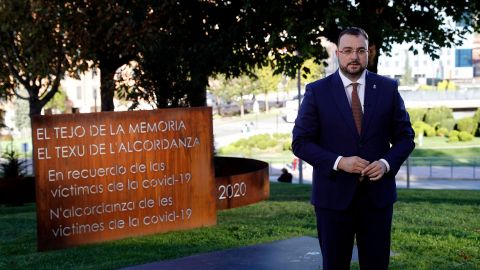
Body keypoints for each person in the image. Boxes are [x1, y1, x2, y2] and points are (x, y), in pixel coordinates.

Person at [292, 27, 415, 270]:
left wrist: (385, 163)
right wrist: (339, 162)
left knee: (377, 265)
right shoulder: (317, 91)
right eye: (347, 51)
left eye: (360, 50)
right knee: (335, 265)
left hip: (377, 200)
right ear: (338, 53)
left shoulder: (388, 89)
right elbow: (300, 142)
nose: (354, 56)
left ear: (369, 53)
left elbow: (405, 137)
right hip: (333, 199)